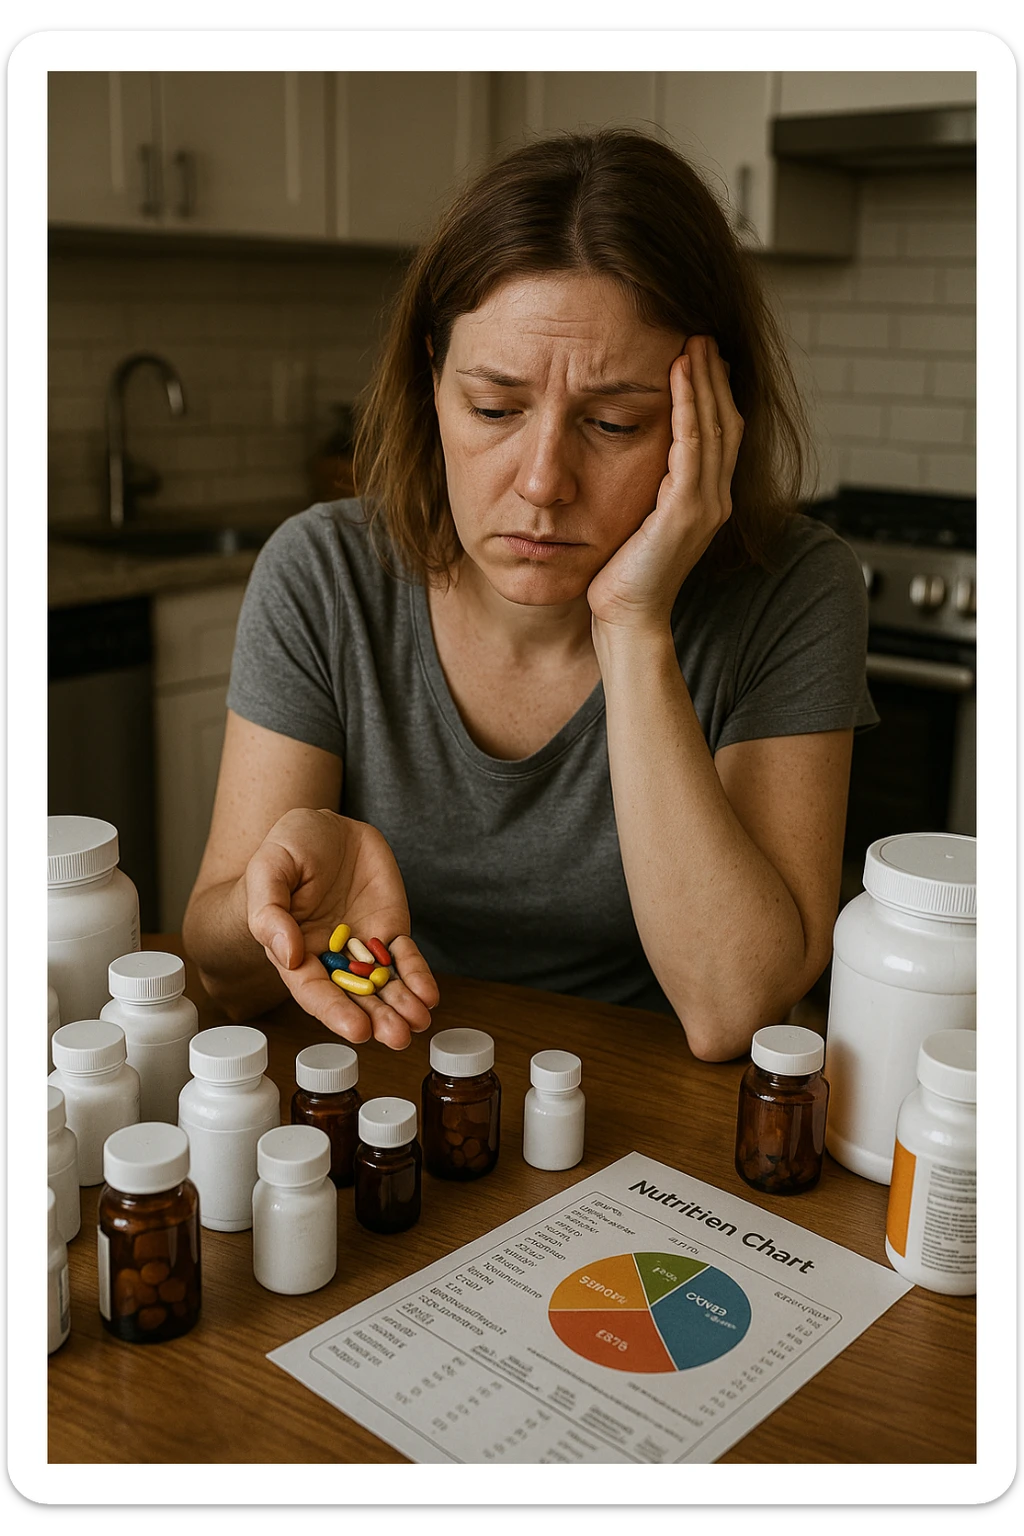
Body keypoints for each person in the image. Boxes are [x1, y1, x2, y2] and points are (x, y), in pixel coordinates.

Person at [182, 127, 877, 1063]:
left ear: (707, 425)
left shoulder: (796, 590)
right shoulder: (321, 575)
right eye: (496, 409)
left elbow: (733, 1010)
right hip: (403, 1081)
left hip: (662, 1124)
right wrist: (275, 901)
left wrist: (634, 628)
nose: (544, 480)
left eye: (615, 421)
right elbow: (222, 973)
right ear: (433, 381)